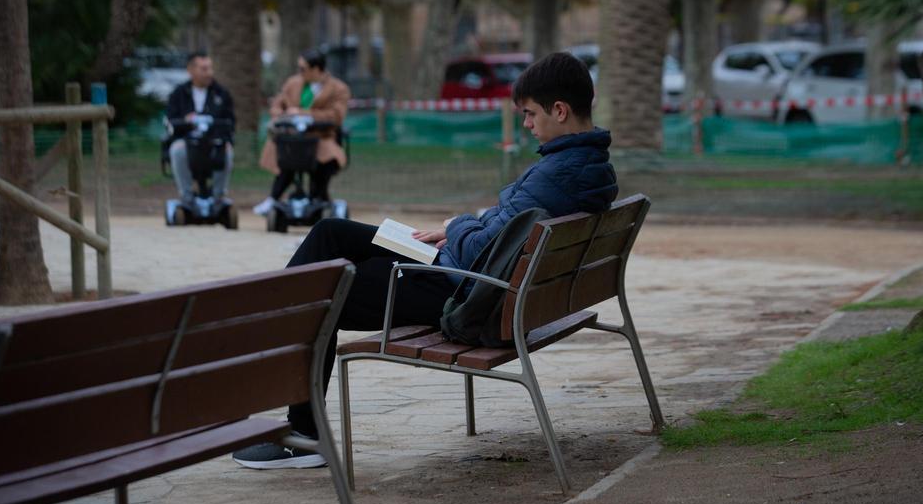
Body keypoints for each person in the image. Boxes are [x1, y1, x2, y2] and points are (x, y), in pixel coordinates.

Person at [231, 51, 618, 469]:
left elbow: (480, 250)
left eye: (529, 114)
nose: (526, 125)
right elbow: (505, 233)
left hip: (462, 291)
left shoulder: (556, 175)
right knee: (331, 233)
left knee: (316, 294)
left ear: (559, 111)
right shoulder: (589, 166)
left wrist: (457, 225)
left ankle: (302, 433)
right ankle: (280, 327)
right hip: (476, 279)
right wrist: (462, 229)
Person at [253, 49, 351, 215]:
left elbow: (336, 116)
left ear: (316, 69)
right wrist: (280, 115)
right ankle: (273, 198)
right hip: (292, 137)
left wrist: (303, 113)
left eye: (303, 68)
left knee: (324, 159)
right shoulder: (293, 83)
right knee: (288, 156)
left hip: (321, 137)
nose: (300, 72)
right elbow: (277, 104)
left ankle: (319, 199)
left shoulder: (338, 88)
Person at [165, 52, 236, 202]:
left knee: (227, 150)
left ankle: (219, 196)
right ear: (191, 70)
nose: (209, 73)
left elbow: (230, 122)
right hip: (187, 140)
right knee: (177, 149)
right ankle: (187, 195)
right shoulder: (179, 94)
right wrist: (185, 121)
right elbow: (171, 120)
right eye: (204, 69)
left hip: (214, 141)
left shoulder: (221, 94)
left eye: (210, 68)